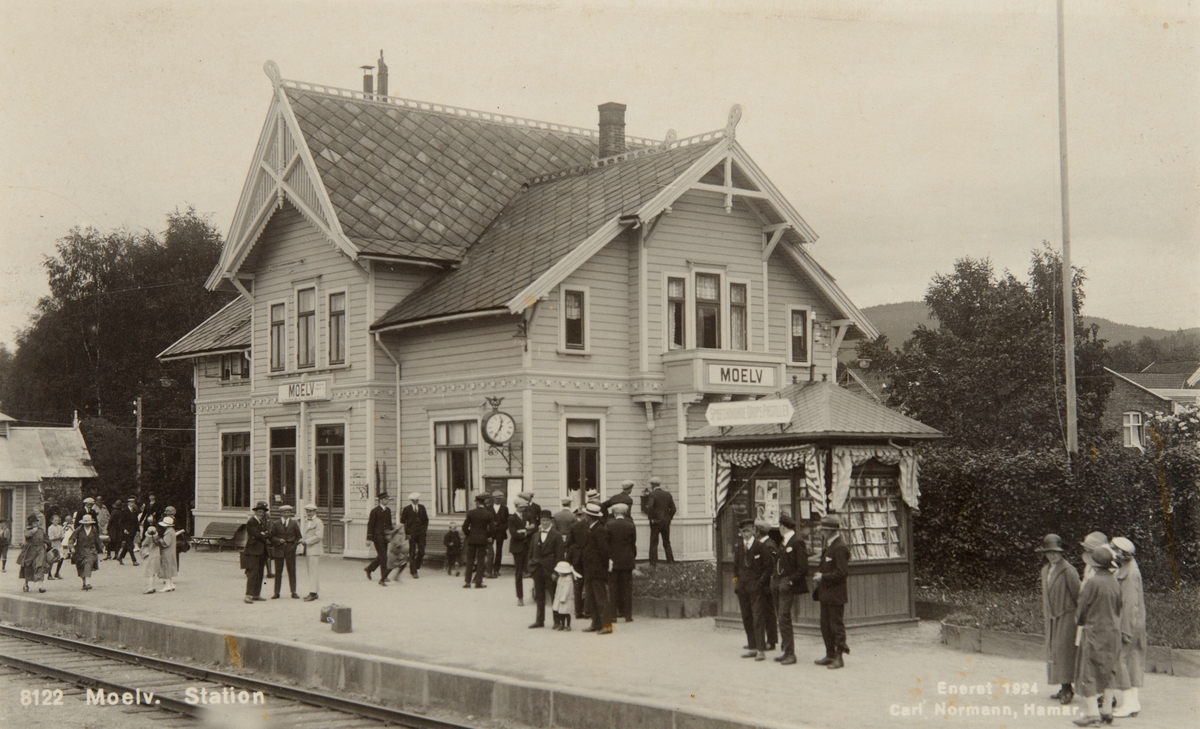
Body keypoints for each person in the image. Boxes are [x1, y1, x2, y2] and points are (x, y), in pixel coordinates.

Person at [1073, 544, 1122, 726]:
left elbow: (1082, 609)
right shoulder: (1115, 582)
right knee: (1109, 670)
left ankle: (1092, 714)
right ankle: (1107, 710)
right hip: (1112, 631)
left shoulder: (1092, 583)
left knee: (1089, 671)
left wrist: (1080, 621)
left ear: (1094, 565)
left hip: (1094, 631)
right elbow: (1119, 607)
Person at [1037, 533, 1080, 705]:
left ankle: (1068, 689)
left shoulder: (1068, 570)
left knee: (1065, 653)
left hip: (1067, 617)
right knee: (1054, 652)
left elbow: (1078, 595)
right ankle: (1063, 686)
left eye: (1056, 552)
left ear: (1061, 552)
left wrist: (1078, 617)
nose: (1052, 555)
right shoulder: (1045, 570)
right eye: (1049, 552)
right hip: (1052, 618)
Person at [1110, 536, 1145, 718]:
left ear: (1123, 555)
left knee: (1121, 661)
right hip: (1130, 622)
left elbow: (1131, 605)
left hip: (1129, 623)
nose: (1112, 552)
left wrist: (1126, 630)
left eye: (1115, 550)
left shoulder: (1130, 574)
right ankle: (1132, 703)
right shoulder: (1126, 569)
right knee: (1130, 661)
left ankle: (1129, 703)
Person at [813, 514, 850, 669]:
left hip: (835, 594)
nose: (821, 532)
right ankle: (830, 654)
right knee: (825, 625)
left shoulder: (839, 547)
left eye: (823, 530)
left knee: (836, 625)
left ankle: (839, 657)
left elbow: (842, 573)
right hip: (826, 594)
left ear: (829, 531)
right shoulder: (830, 545)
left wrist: (823, 577)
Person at [771, 514, 808, 665]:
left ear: (783, 526)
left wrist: (790, 581)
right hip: (779, 585)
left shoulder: (797, 542)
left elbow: (803, 568)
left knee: (784, 617)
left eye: (779, 526)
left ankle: (790, 654)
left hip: (787, 586)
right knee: (781, 618)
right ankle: (786, 650)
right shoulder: (785, 542)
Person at [734, 518, 770, 660]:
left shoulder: (761, 547)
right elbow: (735, 568)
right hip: (742, 588)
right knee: (746, 617)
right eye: (743, 531)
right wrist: (736, 582)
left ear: (754, 531)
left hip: (756, 589)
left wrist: (760, 583)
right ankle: (752, 647)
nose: (746, 534)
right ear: (740, 533)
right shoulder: (738, 547)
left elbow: (768, 568)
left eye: (748, 530)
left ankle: (761, 649)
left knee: (758, 618)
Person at [581, 502, 614, 634]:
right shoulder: (592, 529)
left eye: (585, 515)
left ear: (590, 517)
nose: (584, 516)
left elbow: (604, 552)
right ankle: (596, 623)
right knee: (592, 598)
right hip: (590, 570)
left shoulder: (599, 530)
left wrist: (602, 569)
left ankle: (607, 626)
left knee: (601, 599)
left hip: (597, 571)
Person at [527, 509, 563, 629]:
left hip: (550, 569)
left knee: (554, 596)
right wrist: (531, 567)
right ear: (540, 521)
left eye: (547, 520)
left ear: (551, 521)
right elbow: (531, 553)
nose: (545, 523)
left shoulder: (556, 535)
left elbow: (560, 555)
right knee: (539, 595)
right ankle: (539, 620)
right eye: (543, 520)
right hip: (537, 569)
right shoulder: (535, 536)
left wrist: (556, 572)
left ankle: (557, 621)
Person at [606, 503, 637, 622]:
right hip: (627, 560)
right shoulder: (630, 526)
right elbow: (633, 543)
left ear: (614, 513)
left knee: (613, 588)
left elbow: (607, 544)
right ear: (625, 513)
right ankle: (628, 615)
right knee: (627, 588)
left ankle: (613, 615)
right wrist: (632, 556)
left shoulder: (609, 525)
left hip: (613, 560)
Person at [269, 505, 302, 598]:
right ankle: (276, 592)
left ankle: (293, 591)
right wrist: (278, 540)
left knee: (292, 571)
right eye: (284, 512)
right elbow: (271, 537)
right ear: (281, 513)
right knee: (278, 571)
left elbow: (298, 536)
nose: (286, 514)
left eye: (288, 512)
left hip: (290, 550)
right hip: (279, 550)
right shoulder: (275, 523)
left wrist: (294, 546)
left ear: (290, 513)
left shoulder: (294, 523)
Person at [756, 520, 779, 651]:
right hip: (760, 583)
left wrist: (762, 580)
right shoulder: (761, 544)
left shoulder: (769, 545)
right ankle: (760, 640)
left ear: (759, 532)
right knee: (761, 612)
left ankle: (771, 641)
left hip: (766, 584)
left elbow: (771, 566)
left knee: (768, 612)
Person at [241, 501, 271, 603]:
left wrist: (263, 534)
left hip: (261, 551)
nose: (261, 514)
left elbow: (266, 533)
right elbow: (258, 535)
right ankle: (248, 595)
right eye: (259, 512)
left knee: (260, 573)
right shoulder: (251, 522)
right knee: (253, 573)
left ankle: (256, 594)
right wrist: (264, 534)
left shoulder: (262, 522)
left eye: (262, 512)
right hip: (253, 551)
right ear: (255, 512)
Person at [462, 493, 492, 588]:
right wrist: (487, 535)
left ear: (477, 503)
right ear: (484, 503)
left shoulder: (471, 512)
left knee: (470, 560)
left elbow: (464, 527)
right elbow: (493, 528)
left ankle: (467, 582)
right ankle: (478, 582)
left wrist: (469, 534)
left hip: (472, 539)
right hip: (482, 540)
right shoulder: (488, 513)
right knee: (480, 560)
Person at [508, 493, 534, 605]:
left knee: (533, 570)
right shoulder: (511, 518)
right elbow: (514, 534)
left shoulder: (527, 515)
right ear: (516, 506)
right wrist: (526, 531)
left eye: (524, 507)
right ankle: (520, 597)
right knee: (519, 572)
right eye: (521, 507)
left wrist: (524, 531)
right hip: (517, 548)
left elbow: (534, 528)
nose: (523, 509)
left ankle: (535, 593)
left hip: (528, 546)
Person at [646, 476, 676, 565]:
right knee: (666, 542)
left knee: (654, 542)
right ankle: (670, 561)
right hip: (666, 521)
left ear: (652, 485)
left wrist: (651, 518)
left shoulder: (652, 494)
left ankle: (653, 563)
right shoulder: (668, 494)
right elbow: (673, 509)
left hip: (656, 522)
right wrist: (669, 518)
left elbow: (650, 507)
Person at [68, 514, 103, 591]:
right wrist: (71, 547)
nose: (87, 524)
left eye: (88, 523)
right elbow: (71, 539)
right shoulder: (79, 530)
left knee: (88, 563)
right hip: (80, 551)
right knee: (81, 567)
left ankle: (88, 583)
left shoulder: (94, 529)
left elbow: (97, 540)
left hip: (91, 550)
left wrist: (101, 548)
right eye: (85, 523)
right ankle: (84, 582)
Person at [365, 493, 393, 585]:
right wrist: (369, 538)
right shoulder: (375, 511)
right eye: (385, 499)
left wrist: (391, 534)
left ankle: (369, 569)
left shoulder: (388, 510)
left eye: (387, 499)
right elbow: (370, 525)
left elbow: (389, 524)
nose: (387, 501)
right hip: (377, 537)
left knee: (382, 556)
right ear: (380, 500)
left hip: (385, 537)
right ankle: (384, 577)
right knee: (383, 556)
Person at [18, 513, 49, 593]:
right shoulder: (28, 530)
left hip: (40, 550)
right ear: (30, 523)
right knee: (28, 567)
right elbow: (26, 535)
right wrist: (32, 531)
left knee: (40, 566)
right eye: (33, 522)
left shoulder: (41, 530)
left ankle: (41, 586)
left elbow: (46, 538)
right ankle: (26, 584)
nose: (35, 523)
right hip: (30, 550)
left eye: (36, 522)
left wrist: (46, 543)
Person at [401, 492, 429, 578]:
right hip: (411, 534)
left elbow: (426, 520)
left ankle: (416, 565)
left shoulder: (422, 508)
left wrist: (424, 530)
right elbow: (403, 522)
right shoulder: (406, 509)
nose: (417, 501)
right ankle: (414, 572)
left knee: (422, 552)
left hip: (421, 534)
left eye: (417, 500)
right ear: (411, 500)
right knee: (412, 552)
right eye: (415, 500)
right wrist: (407, 532)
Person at [300, 504, 324, 602]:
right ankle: (315, 591)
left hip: (315, 549)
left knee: (313, 571)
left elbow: (318, 536)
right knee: (310, 571)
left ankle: (312, 593)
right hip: (308, 549)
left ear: (314, 511)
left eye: (310, 511)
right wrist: (302, 540)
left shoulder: (318, 522)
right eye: (307, 511)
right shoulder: (307, 521)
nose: (308, 513)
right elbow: (306, 534)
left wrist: (306, 541)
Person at [112, 496, 140, 566]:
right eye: (131, 502)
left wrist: (138, 530)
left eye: (133, 502)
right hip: (126, 531)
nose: (132, 504)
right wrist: (124, 529)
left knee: (127, 546)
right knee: (130, 545)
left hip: (133, 531)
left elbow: (136, 522)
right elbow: (120, 522)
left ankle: (120, 557)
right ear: (128, 503)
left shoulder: (134, 511)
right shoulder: (124, 511)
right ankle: (134, 560)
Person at [488, 490, 509, 578]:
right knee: (489, 551)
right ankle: (488, 569)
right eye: (496, 499)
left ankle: (496, 569)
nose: (498, 500)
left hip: (500, 532)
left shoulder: (505, 508)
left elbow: (507, 521)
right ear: (493, 499)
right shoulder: (488, 508)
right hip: (490, 533)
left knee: (499, 551)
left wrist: (502, 528)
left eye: (500, 499)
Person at [552, 560, 577, 631]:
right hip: (559, 598)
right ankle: (562, 625)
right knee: (560, 612)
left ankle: (568, 625)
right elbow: (558, 588)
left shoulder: (568, 580)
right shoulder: (560, 578)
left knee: (566, 612)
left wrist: (563, 598)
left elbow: (566, 590)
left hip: (565, 599)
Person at [141, 525, 163, 594]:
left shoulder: (148, 539)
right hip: (156, 556)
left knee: (149, 573)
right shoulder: (157, 540)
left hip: (150, 556)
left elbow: (143, 545)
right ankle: (152, 587)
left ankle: (150, 588)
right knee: (153, 572)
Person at [47, 513, 66, 580]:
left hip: (59, 544)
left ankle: (57, 572)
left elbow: (63, 535)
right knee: (52, 559)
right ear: (52, 521)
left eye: (57, 520)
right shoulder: (50, 528)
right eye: (55, 520)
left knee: (62, 558)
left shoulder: (60, 527)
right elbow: (51, 538)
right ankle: (49, 574)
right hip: (53, 545)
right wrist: (58, 537)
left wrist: (59, 537)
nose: (56, 522)